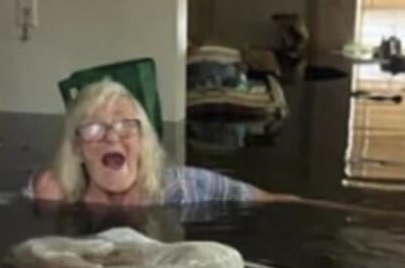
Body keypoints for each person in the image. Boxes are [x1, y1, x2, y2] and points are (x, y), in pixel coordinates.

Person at [30, 79, 268, 206]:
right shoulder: (57, 195)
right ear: (76, 149)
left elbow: (271, 201)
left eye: (126, 125)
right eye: (94, 128)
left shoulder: (183, 188)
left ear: (143, 140)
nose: (112, 137)